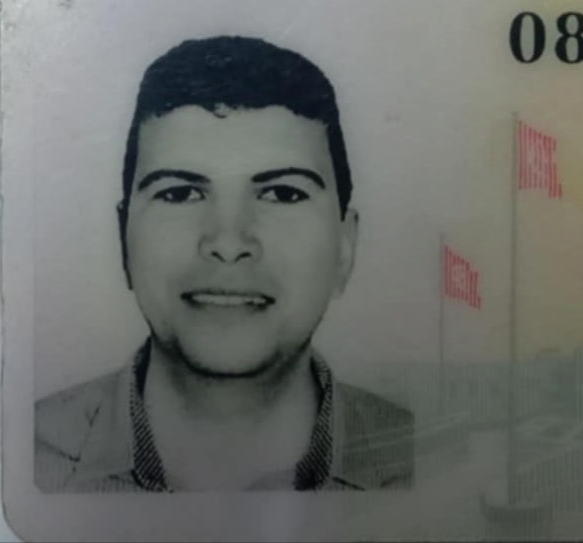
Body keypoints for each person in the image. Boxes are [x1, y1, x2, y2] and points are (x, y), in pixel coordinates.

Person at [35, 35, 413, 492]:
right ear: (124, 239)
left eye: (283, 194)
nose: (229, 243)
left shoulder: (432, 466)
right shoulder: (22, 462)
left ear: (345, 247)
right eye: (179, 193)